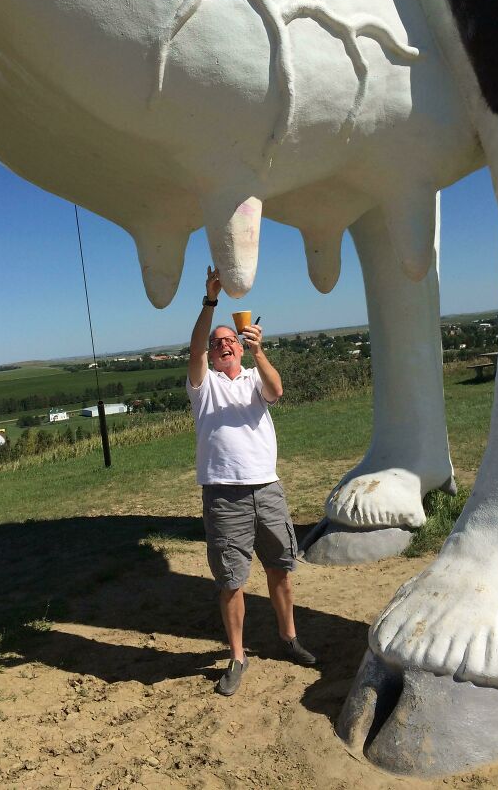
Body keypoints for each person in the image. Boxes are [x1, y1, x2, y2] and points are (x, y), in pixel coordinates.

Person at [187, 266, 316, 696]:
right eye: (217, 343)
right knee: (231, 580)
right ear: (211, 353)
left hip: (267, 488)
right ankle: (238, 657)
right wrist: (210, 302)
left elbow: (277, 391)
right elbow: (194, 349)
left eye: (230, 341)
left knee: (280, 568)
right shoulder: (203, 387)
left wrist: (259, 352)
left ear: (239, 349)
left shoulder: (252, 377)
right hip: (224, 495)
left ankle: (288, 638)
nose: (224, 344)